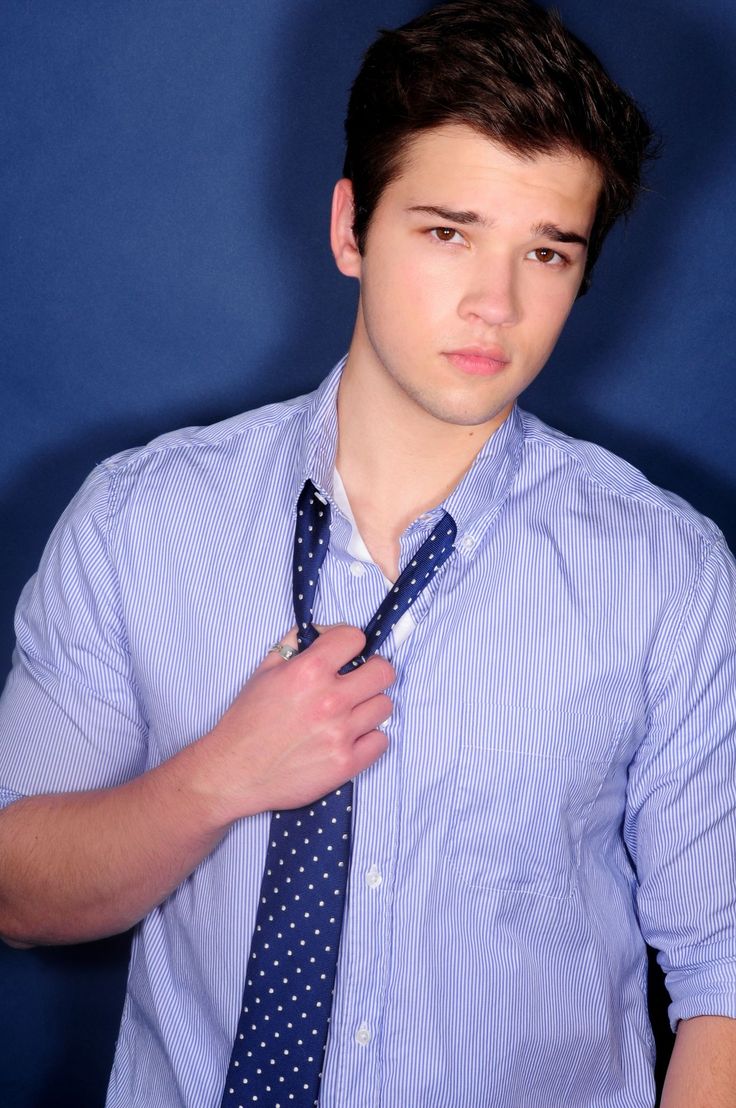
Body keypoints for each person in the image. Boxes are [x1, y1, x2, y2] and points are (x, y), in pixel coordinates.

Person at [1, 0, 735, 1104]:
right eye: (448, 232)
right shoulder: (134, 522)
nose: (494, 303)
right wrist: (213, 780)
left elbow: (722, 981)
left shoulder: (666, 576)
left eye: (546, 251)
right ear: (351, 228)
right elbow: (16, 892)